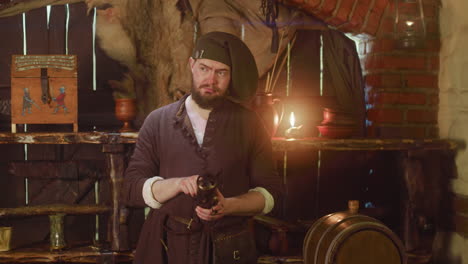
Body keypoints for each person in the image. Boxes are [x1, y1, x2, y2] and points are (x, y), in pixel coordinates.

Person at [121, 31, 282, 264]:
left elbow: (272, 193)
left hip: (229, 247)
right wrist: (176, 184)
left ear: (231, 76)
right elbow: (131, 188)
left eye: (221, 72)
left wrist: (229, 206)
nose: (211, 80)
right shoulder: (157, 121)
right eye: (204, 69)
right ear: (192, 65)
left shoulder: (249, 123)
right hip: (167, 246)